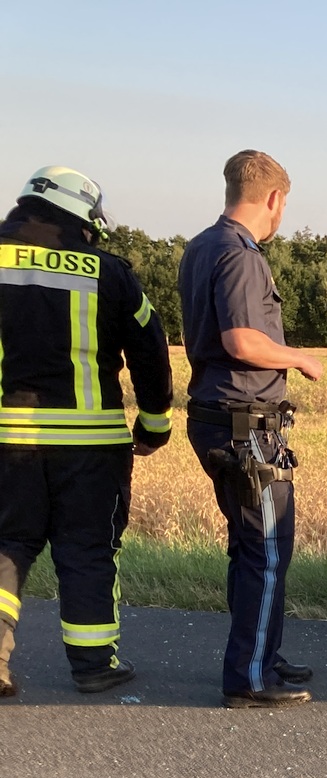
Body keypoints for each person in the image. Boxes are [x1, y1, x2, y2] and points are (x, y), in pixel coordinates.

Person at [0, 166, 174, 699]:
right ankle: (94, 665)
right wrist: (154, 424)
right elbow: (150, 349)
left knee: (6, 545)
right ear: (84, 216)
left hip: (7, 443)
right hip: (91, 447)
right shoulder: (109, 272)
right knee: (88, 550)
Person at [179, 149, 322, 709]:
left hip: (219, 417)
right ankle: (249, 676)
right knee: (265, 548)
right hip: (245, 425)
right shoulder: (241, 256)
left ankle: (262, 652)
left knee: (249, 548)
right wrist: (298, 357)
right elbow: (243, 341)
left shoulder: (200, 246)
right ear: (274, 199)